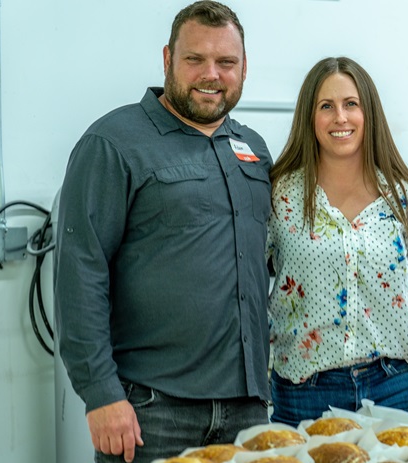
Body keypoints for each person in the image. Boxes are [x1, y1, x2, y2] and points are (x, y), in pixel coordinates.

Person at [54, 2, 272, 462]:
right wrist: (100, 393)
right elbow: (80, 273)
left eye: (226, 62)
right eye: (195, 59)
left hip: (248, 412)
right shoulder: (113, 143)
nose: (211, 74)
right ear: (168, 58)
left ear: (244, 68)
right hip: (151, 412)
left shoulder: (253, 149)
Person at [266, 57, 408, 427]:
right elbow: (247, 292)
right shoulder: (279, 196)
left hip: (393, 390)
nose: (340, 118)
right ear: (309, 116)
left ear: (368, 113)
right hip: (303, 393)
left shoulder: (405, 200)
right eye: (326, 106)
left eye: (351, 104)